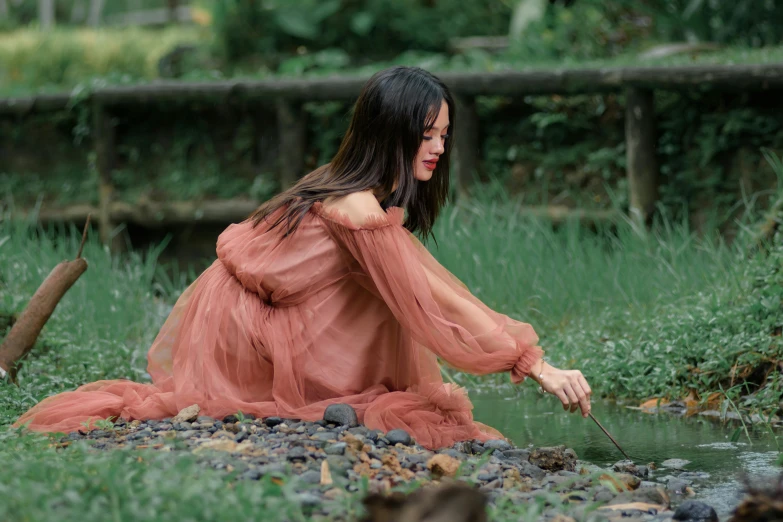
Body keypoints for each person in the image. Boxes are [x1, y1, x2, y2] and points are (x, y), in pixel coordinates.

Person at [15, 66, 592, 450]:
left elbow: (422, 279)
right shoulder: (356, 205)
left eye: (444, 134)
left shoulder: (355, 190)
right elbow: (430, 294)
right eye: (426, 134)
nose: (439, 147)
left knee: (385, 284)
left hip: (241, 317)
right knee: (399, 292)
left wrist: (524, 357)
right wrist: (533, 363)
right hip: (242, 335)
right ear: (390, 132)